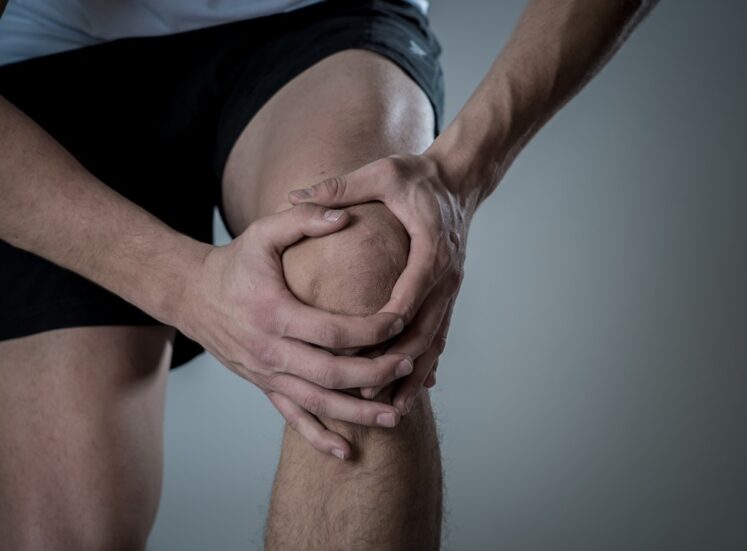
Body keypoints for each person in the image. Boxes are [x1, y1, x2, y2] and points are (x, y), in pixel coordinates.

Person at [0, 0, 658, 548]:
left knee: (361, 274)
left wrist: (463, 171)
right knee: (65, 532)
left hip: (317, 19)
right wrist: (184, 286)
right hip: (47, 54)